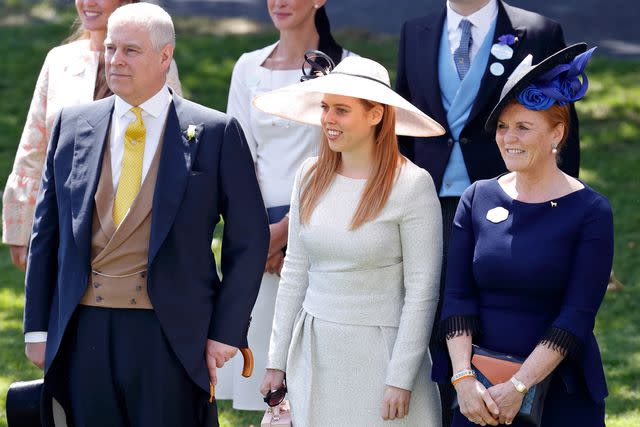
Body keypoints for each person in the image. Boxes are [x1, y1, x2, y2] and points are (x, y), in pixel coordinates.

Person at [22, 3, 269, 426]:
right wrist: (37, 329)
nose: (115, 60)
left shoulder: (214, 132)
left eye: (130, 51)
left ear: (164, 56)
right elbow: (47, 234)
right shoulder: (72, 126)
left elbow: (249, 240)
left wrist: (226, 332)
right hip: (84, 329)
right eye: (111, 48)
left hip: (170, 334)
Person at [395, 1, 580, 422]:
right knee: (431, 316)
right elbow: (403, 129)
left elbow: (564, 138)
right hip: (426, 204)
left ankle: (516, 402)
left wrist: (560, 218)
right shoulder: (415, 31)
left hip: (512, 206)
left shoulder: (537, 31)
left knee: (502, 316)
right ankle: (452, 410)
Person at [253, 55, 445, 425]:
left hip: (382, 357)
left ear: (375, 115)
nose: (327, 119)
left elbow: (423, 290)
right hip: (314, 350)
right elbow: (295, 272)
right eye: (325, 107)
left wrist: (401, 378)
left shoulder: (412, 185)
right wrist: (277, 361)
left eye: (341, 110)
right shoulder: (310, 175)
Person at [436, 43, 612, 427]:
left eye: (522, 127)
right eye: (502, 126)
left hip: (560, 394)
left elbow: (576, 316)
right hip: (477, 395)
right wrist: (463, 379)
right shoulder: (477, 197)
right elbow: (457, 297)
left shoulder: (591, 212)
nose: (507, 138)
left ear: (557, 133)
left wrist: (518, 386)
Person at [216, 0, 354, 410]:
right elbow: (237, 159)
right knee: (268, 387)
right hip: (258, 231)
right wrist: (259, 238)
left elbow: (345, 158)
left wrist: (287, 232)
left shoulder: (349, 69)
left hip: (326, 228)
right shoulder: (247, 67)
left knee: (320, 382)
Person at [2, 0, 182, 272]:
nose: (88, 2)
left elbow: (174, 143)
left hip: (130, 226)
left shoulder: (155, 61)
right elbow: (35, 145)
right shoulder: (59, 60)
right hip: (62, 218)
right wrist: (21, 226)